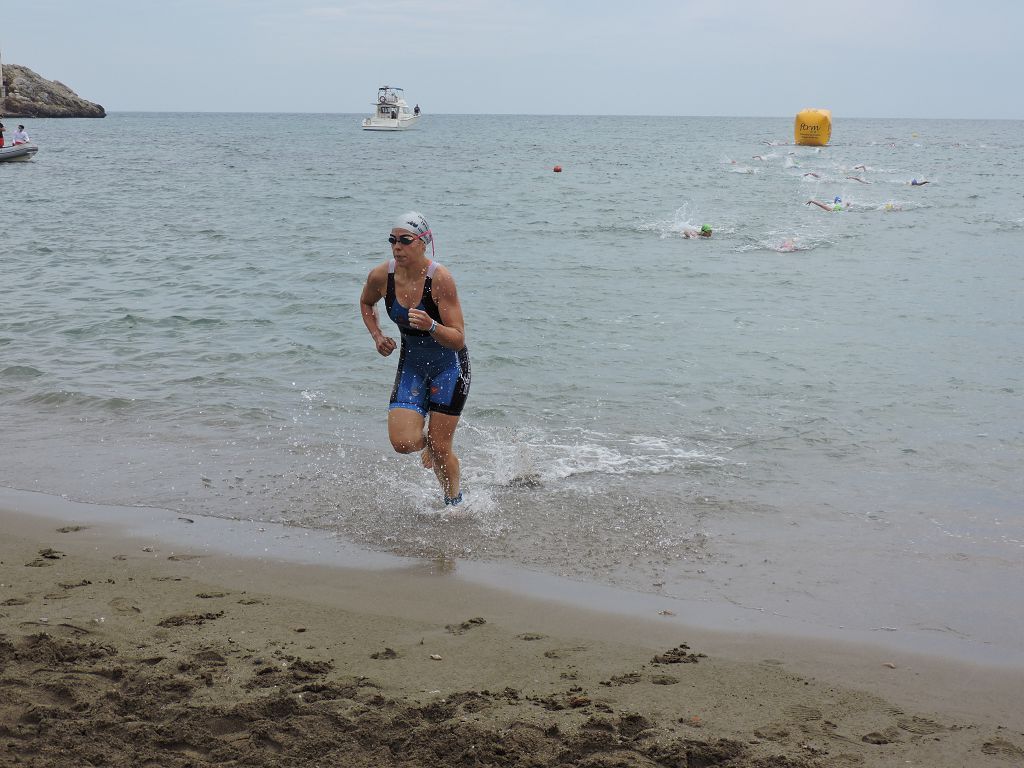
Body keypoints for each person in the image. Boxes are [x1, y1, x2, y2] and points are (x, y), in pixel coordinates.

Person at [359, 212, 472, 506]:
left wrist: (431, 326)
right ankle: (431, 446)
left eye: (405, 240)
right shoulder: (381, 276)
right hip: (412, 365)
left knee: (441, 447)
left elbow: (459, 337)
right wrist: (377, 335)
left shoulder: (440, 279)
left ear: (423, 242)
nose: (397, 247)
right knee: (402, 443)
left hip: (450, 366)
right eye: (393, 240)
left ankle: (454, 506)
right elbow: (366, 302)